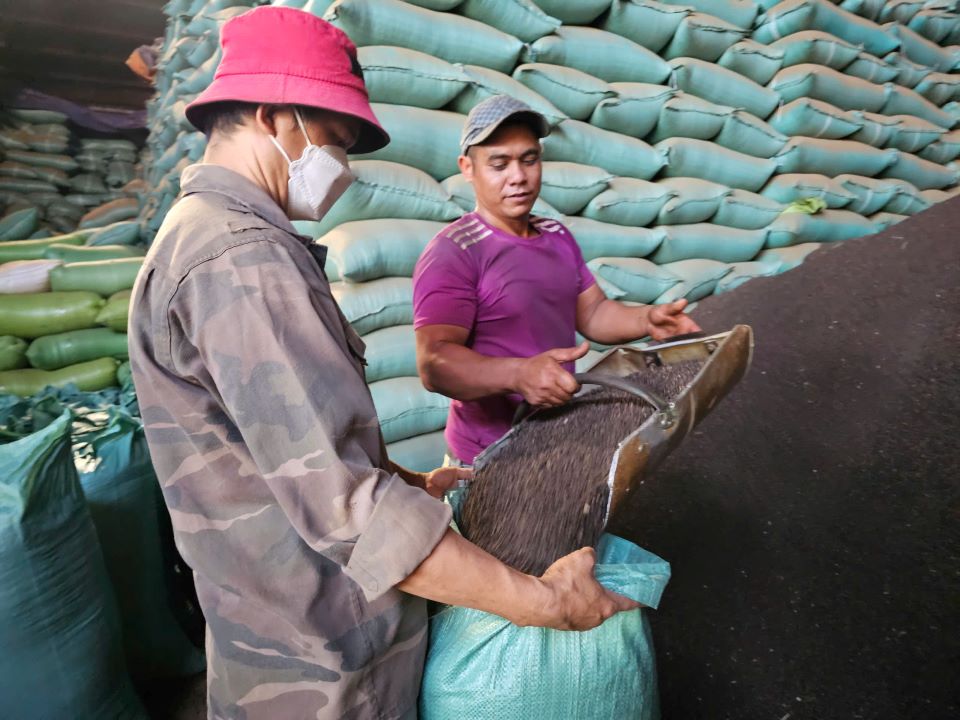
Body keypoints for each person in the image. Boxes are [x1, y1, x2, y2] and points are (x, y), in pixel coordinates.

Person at [128, 8, 637, 720]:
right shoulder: (240, 261)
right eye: (335, 143)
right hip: (322, 662)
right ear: (277, 120)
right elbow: (347, 509)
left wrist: (409, 481)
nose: (340, 169)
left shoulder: (211, 240)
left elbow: (285, 446)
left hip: (286, 631)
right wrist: (543, 601)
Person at [413, 95, 702, 467]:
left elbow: (593, 312)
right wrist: (519, 374)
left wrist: (646, 320)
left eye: (529, 160)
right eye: (499, 164)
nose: (518, 176)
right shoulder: (454, 252)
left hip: (559, 437)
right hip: (486, 456)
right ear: (467, 168)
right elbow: (434, 363)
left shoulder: (556, 236)